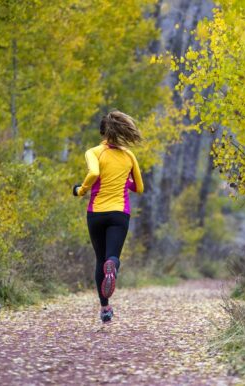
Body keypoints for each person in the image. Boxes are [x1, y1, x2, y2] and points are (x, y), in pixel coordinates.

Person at [73, 110, 144, 323]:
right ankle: (113, 265)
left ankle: (105, 308)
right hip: (119, 213)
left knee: (100, 259)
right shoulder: (129, 155)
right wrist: (123, 181)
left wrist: (81, 190)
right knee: (112, 257)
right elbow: (139, 188)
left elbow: (94, 173)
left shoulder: (93, 152)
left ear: (102, 132)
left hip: (96, 212)